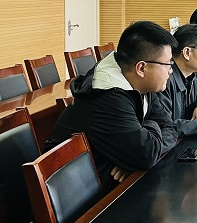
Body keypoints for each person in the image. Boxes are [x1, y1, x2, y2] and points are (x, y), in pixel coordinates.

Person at [45, 21, 179, 193]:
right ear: (141, 68)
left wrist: (132, 159)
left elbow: (171, 128)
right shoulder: (107, 96)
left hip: (104, 180)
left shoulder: (141, 84)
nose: (170, 71)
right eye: (167, 64)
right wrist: (147, 132)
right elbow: (147, 155)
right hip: (77, 194)